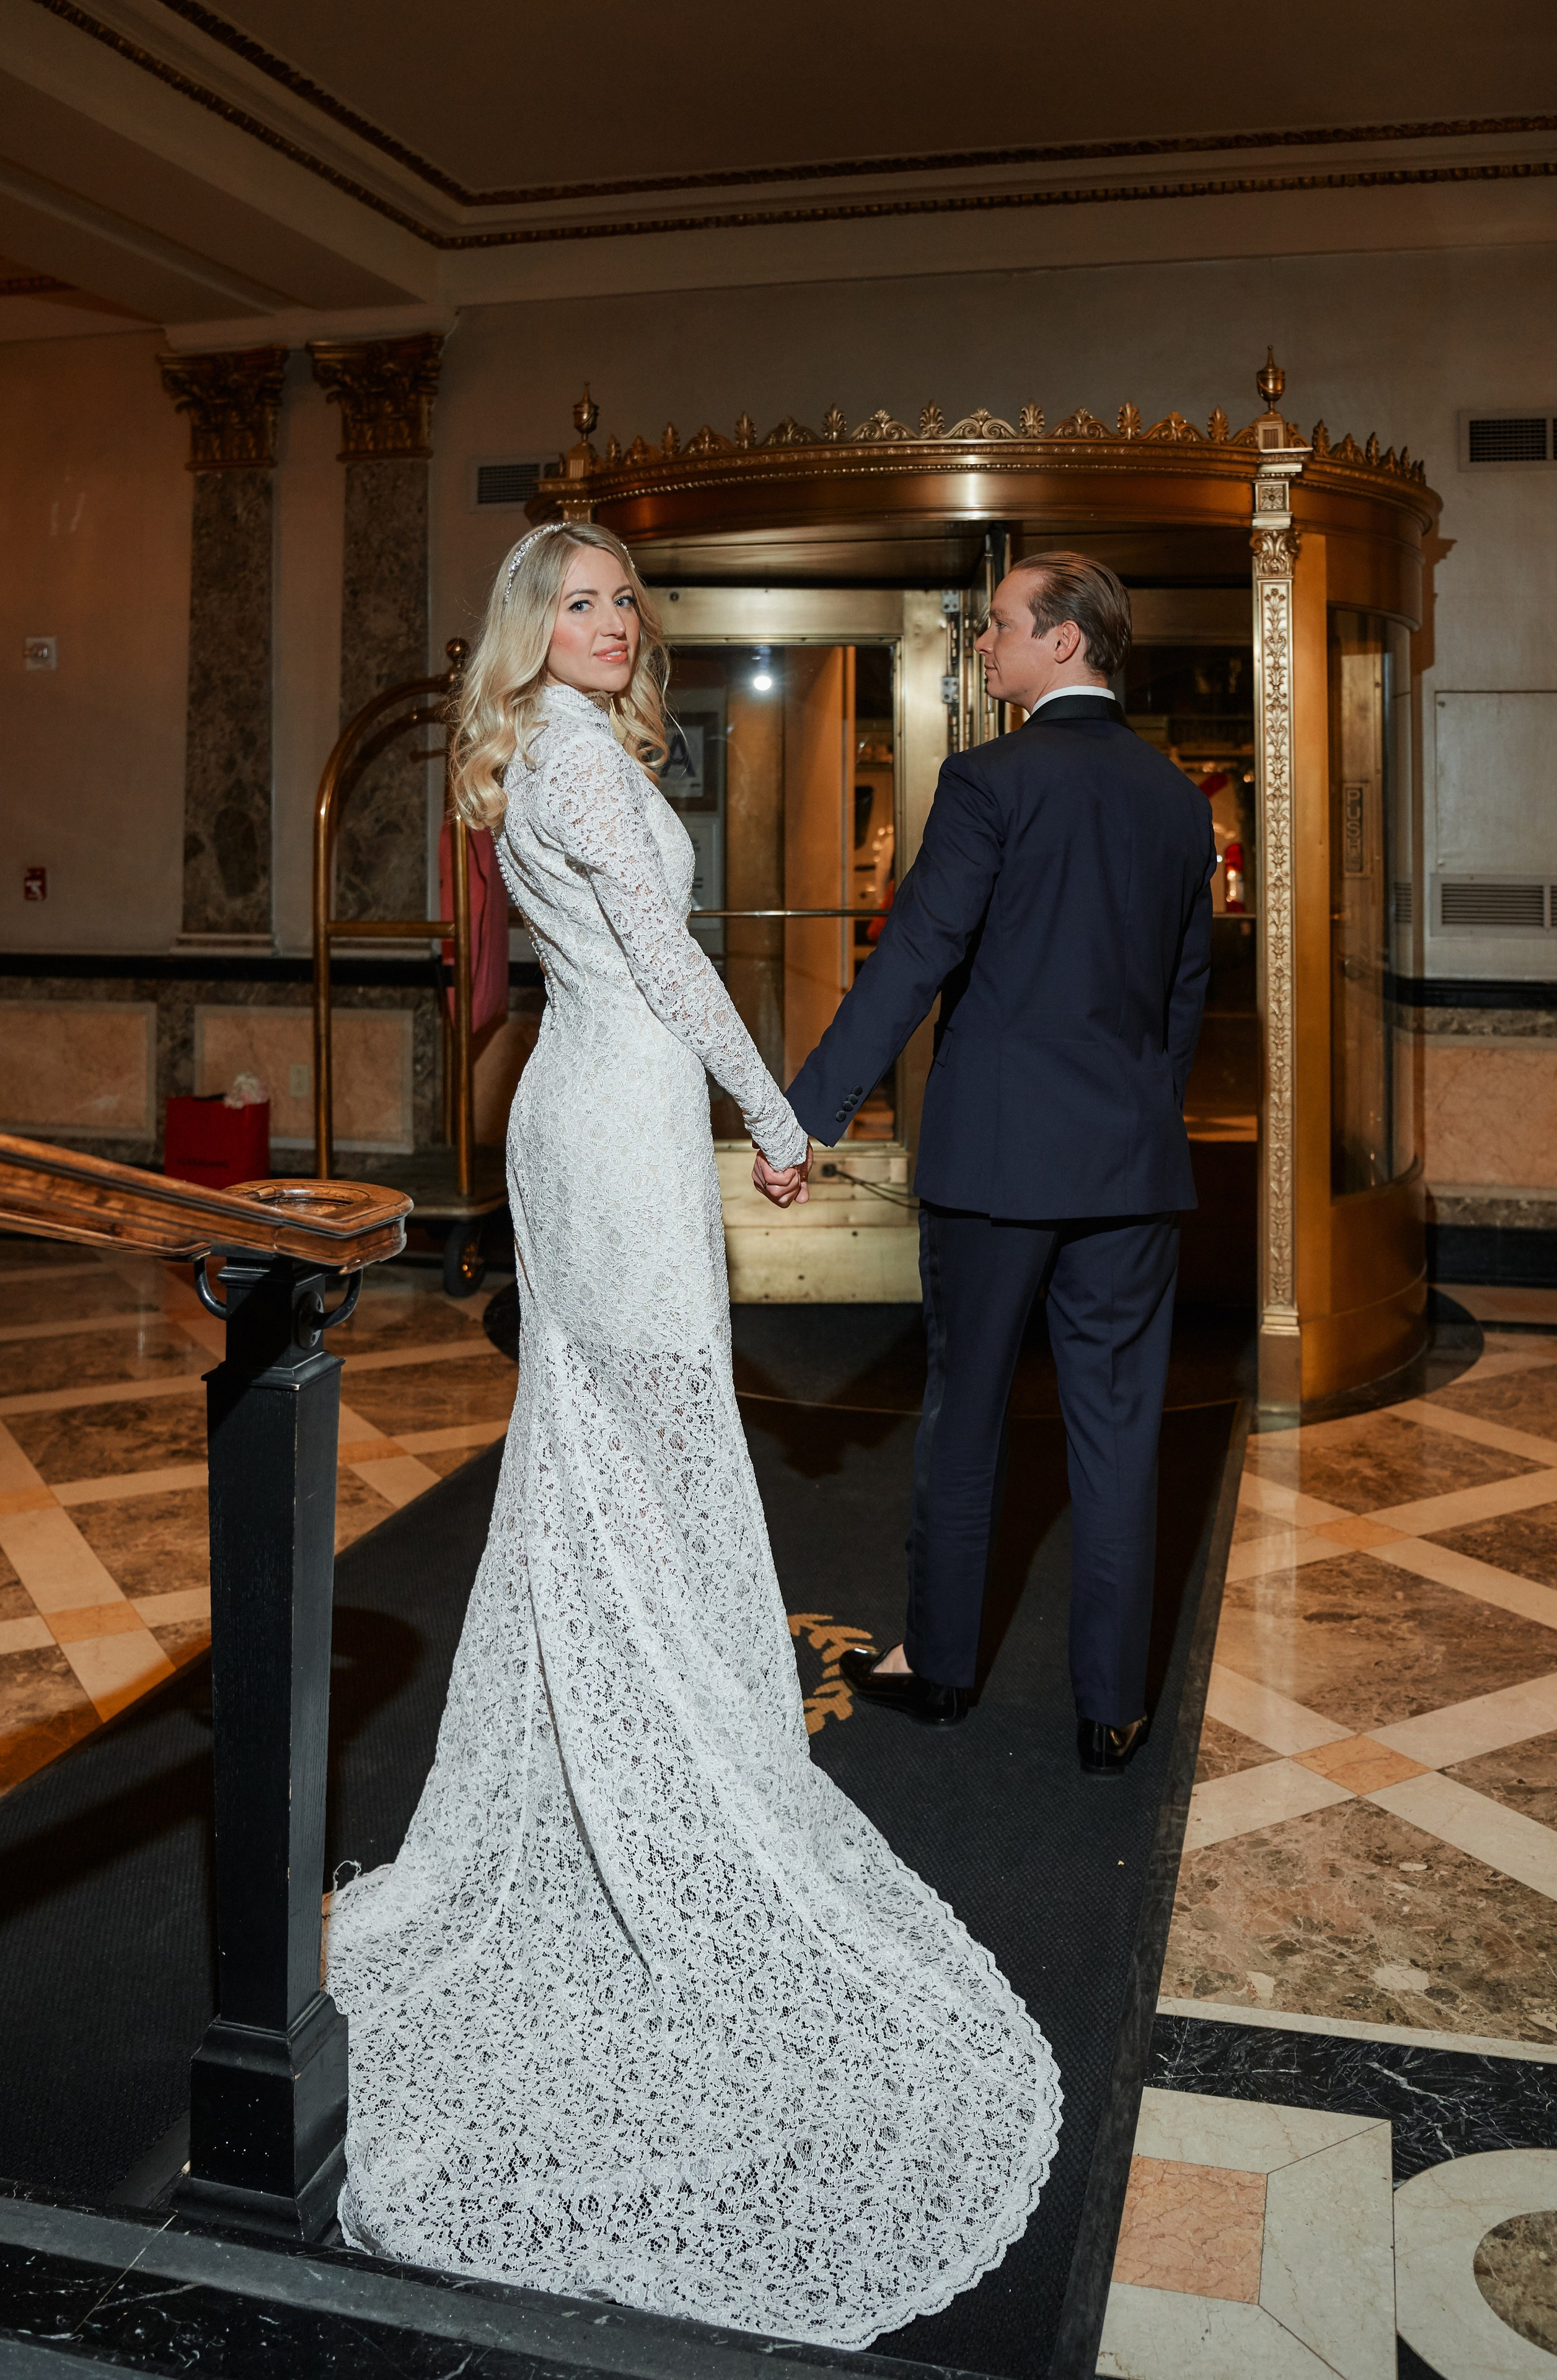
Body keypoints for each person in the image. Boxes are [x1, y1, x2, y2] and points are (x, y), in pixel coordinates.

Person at [325, 522, 1060, 2349]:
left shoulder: (586, 750)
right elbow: (664, 962)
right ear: (530, 628)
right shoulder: (564, 760)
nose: (608, 622)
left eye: (621, 600)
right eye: (575, 603)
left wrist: (731, 1111)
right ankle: (657, 1775)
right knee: (636, 1455)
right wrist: (782, 1117)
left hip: (615, 1118)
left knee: (618, 1462)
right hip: (621, 1121)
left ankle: (631, 1741)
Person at [757, 553, 1215, 1778]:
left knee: (965, 1418)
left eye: (1003, 626)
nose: (986, 646)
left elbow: (912, 960)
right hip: (1128, 1166)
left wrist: (805, 1113)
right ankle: (1110, 1711)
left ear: (1064, 642)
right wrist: (1135, 1121)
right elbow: (1181, 1001)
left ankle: (941, 1670)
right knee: (1118, 1433)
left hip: (996, 1166)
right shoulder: (1178, 803)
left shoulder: (986, 781)